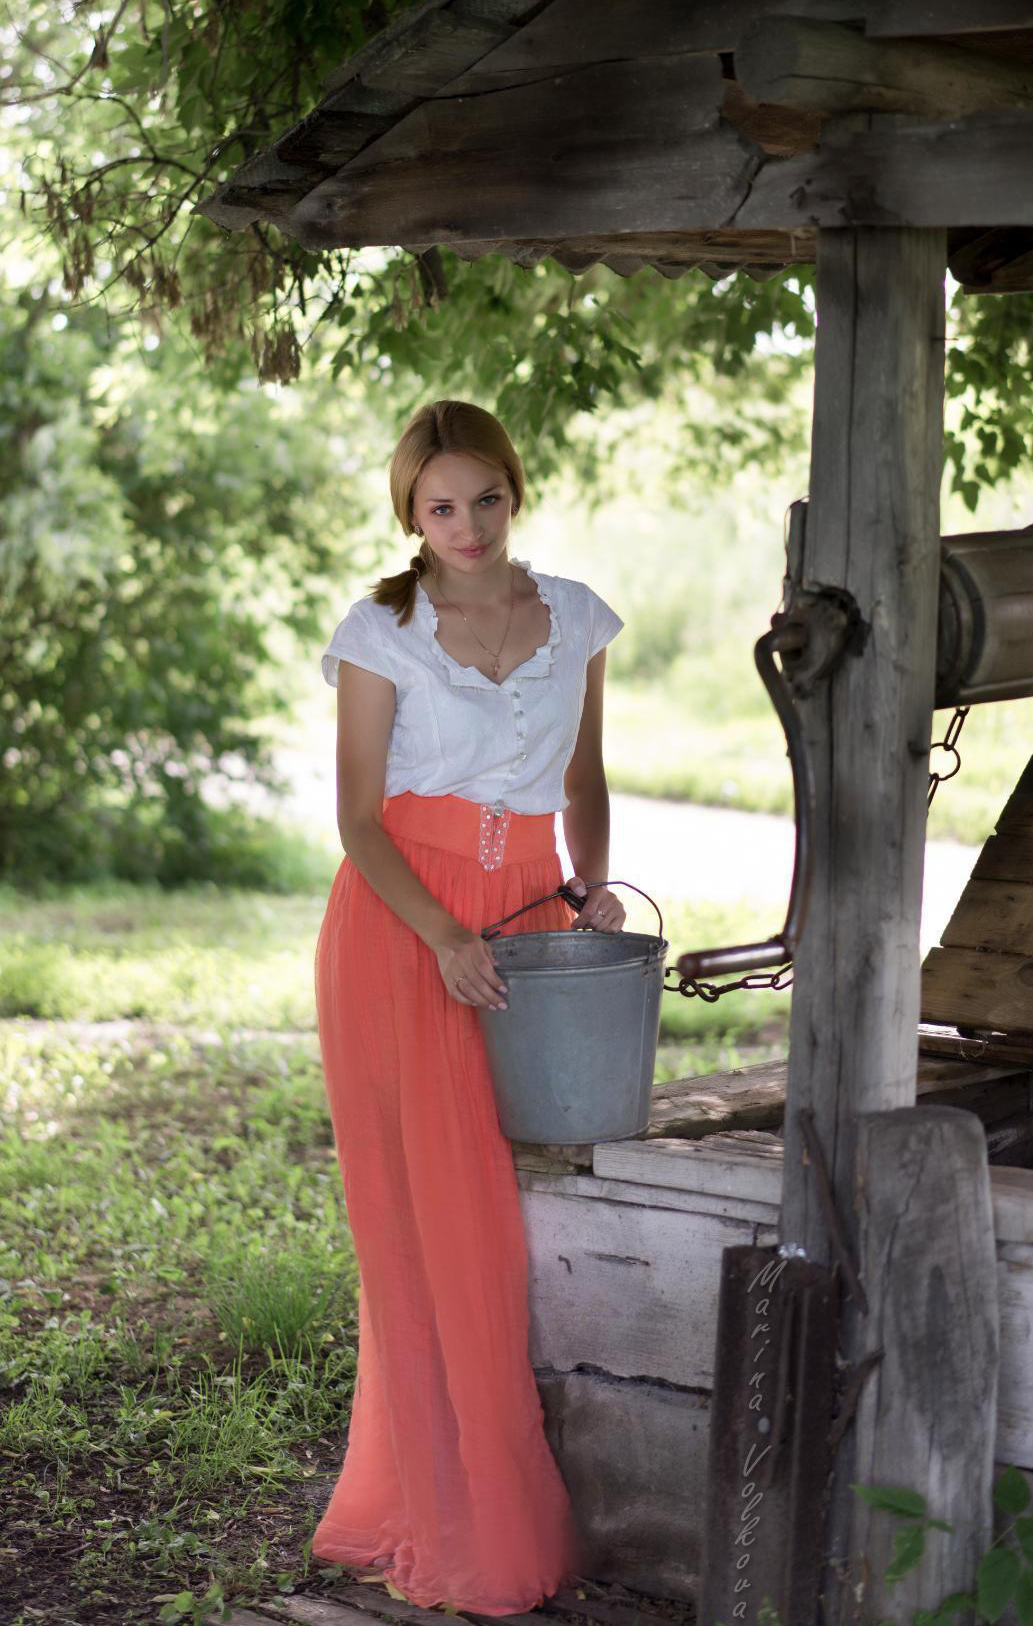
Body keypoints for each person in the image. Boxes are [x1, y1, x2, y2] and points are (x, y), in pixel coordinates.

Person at [310, 399, 626, 1616]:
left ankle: (486, 1484)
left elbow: (584, 776)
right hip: (404, 927)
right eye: (440, 506)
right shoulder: (379, 633)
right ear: (411, 513)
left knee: (521, 1201)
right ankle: (460, 1518)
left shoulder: (576, 617)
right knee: (432, 1221)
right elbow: (357, 819)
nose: (468, 525)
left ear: (514, 490)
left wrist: (591, 884)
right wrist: (440, 933)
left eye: (485, 497)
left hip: (530, 912)